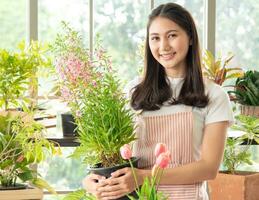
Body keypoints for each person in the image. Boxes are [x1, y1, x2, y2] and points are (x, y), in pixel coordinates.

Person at [82, 2, 234, 200]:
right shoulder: (134, 91)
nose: (163, 46)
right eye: (155, 38)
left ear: (189, 38)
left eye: (172, 35)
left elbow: (208, 168)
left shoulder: (214, 95)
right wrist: (91, 181)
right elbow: (112, 152)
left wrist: (143, 177)